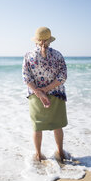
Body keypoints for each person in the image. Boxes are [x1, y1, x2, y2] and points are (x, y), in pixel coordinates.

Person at [22, 26, 68, 162]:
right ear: (50, 40)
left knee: (37, 127)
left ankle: (38, 155)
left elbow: (26, 78)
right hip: (57, 94)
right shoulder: (58, 55)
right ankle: (60, 153)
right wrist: (47, 89)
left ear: (36, 40)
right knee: (57, 126)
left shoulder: (28, 55)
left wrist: (39, 92)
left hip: (36, 97)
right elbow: (63, 76)